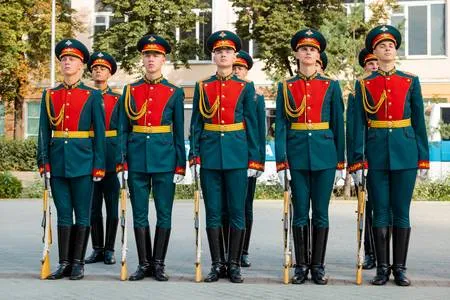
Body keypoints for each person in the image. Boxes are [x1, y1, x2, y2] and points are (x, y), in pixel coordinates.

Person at [349, 25, 429, 286]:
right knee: (380, 212)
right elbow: (358, 125)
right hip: (376, 154)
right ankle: (383, 268)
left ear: (395, 51)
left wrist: (423, 158)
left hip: (405, 152)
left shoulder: (409, 80)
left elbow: (418, 122)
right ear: (374, 51)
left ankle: (400, 268)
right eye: (382, 46)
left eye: (391, 46)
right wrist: (358, 160)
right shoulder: (364, 85)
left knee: (401, 213)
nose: (387, 49)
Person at [188, 30, 263, 283]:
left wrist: (254, 160)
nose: (223, 54)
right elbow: (197, 124)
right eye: (219, 51)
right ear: (213, 56)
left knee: (236, 212)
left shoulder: (245, 86)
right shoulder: (203, 86)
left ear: (234, 55)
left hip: (237, 155)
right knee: (213, 213)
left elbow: (252, 125)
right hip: (210, 155)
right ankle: (217, 263)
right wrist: (194, 154)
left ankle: (233, 264)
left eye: (228, 51)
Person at [275, 28, 345, 285]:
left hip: (325, 156)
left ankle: (318, 265)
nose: (308, 53)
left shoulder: (331, 85)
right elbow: (281, 125)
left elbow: (339, 124)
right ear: (296, 53)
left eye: (313, 49)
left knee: (322, 213)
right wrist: (281, 160)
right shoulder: (286, 86)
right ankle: (301, 265)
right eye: (304, 49)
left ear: (318, 55)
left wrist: (340, 162)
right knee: (300, 212)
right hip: (297, 156)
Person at [117, 34, 186, 281]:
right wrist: (122, 162)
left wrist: (180, 164)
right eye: (147, 55)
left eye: (155, 55)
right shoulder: (130, 90)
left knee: (164, 213)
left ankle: (159, 263)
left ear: (163, 59)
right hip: (136, 160)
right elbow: (123, 129)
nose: (150, 59)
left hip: (165, 160)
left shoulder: (174, 92)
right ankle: (144, 263)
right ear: (142, 59)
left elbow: (179, 131)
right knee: (139, 213)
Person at [37, 38, 106, 280]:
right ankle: (64, 262)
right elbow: (44, 131)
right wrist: (43, 161)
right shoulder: (50, 94)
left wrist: (99, 165)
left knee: (83, 214)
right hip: (57, 162)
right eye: (64, 59)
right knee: (63, 213)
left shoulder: (92, 95)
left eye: (72, 59)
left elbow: (99, 133)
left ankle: (78, 263)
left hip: (84, 161)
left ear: (81, 65)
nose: (67, 62)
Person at [229, 50, 266, 267]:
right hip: (230, 157)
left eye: (240, 69)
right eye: (235, 68)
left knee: (245, 206)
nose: (237, 72)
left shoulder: (255, 96)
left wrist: (257, 161)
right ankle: (228, 248)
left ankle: (243, 250)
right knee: (227, 207)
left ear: (246, 71)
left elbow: (258, 131)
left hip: (247, 160)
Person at [85, 51, 121, 265]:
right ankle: (97, 248)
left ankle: (109, 249)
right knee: (92, 206)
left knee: (112, 206)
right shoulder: (86, 96)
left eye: (103, 68)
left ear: (109, 73)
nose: (99, 71)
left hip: (110, 155)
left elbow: (122, 128)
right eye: (96, 68)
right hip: (88, 154)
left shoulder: (117, 98)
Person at [346, 48, 379, 270]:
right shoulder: (357, 94)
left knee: (386, 209)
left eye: (377, 63)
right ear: (364, 67)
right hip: (366, 158)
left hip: (386, 156)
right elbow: (354, 131)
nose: (375, 67)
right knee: (367, 209)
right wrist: (356, 162)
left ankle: (386, 254)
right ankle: (370, 253)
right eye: (370, 64)